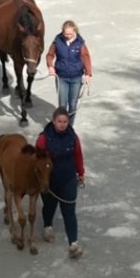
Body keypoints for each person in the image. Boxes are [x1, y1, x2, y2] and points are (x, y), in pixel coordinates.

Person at [36, 106, 86, 259]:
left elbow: (78, 155)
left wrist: (81, 173)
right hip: (50, 181)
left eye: (65, 121)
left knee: (69, 212)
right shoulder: (43, 139)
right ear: (53, 121)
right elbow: (37, 160)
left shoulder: (73, 137)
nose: (62, 124)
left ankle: (73, 243)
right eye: (59, 121)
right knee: (49, 207)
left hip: (68, 179)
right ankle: (47, 226)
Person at [45, 20, 92, 119]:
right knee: (62, 105)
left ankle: (69, 126)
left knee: (73, 104)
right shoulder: (57, 41)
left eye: (70, 34)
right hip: (62, 78)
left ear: (74, 31)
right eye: (66, 34)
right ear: (62, 31)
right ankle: (62, 125)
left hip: (76, 78)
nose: (68, 36)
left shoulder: (80, 43)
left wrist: (88, 73)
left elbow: (85, 57)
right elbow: (50, 55)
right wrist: (50, 66)